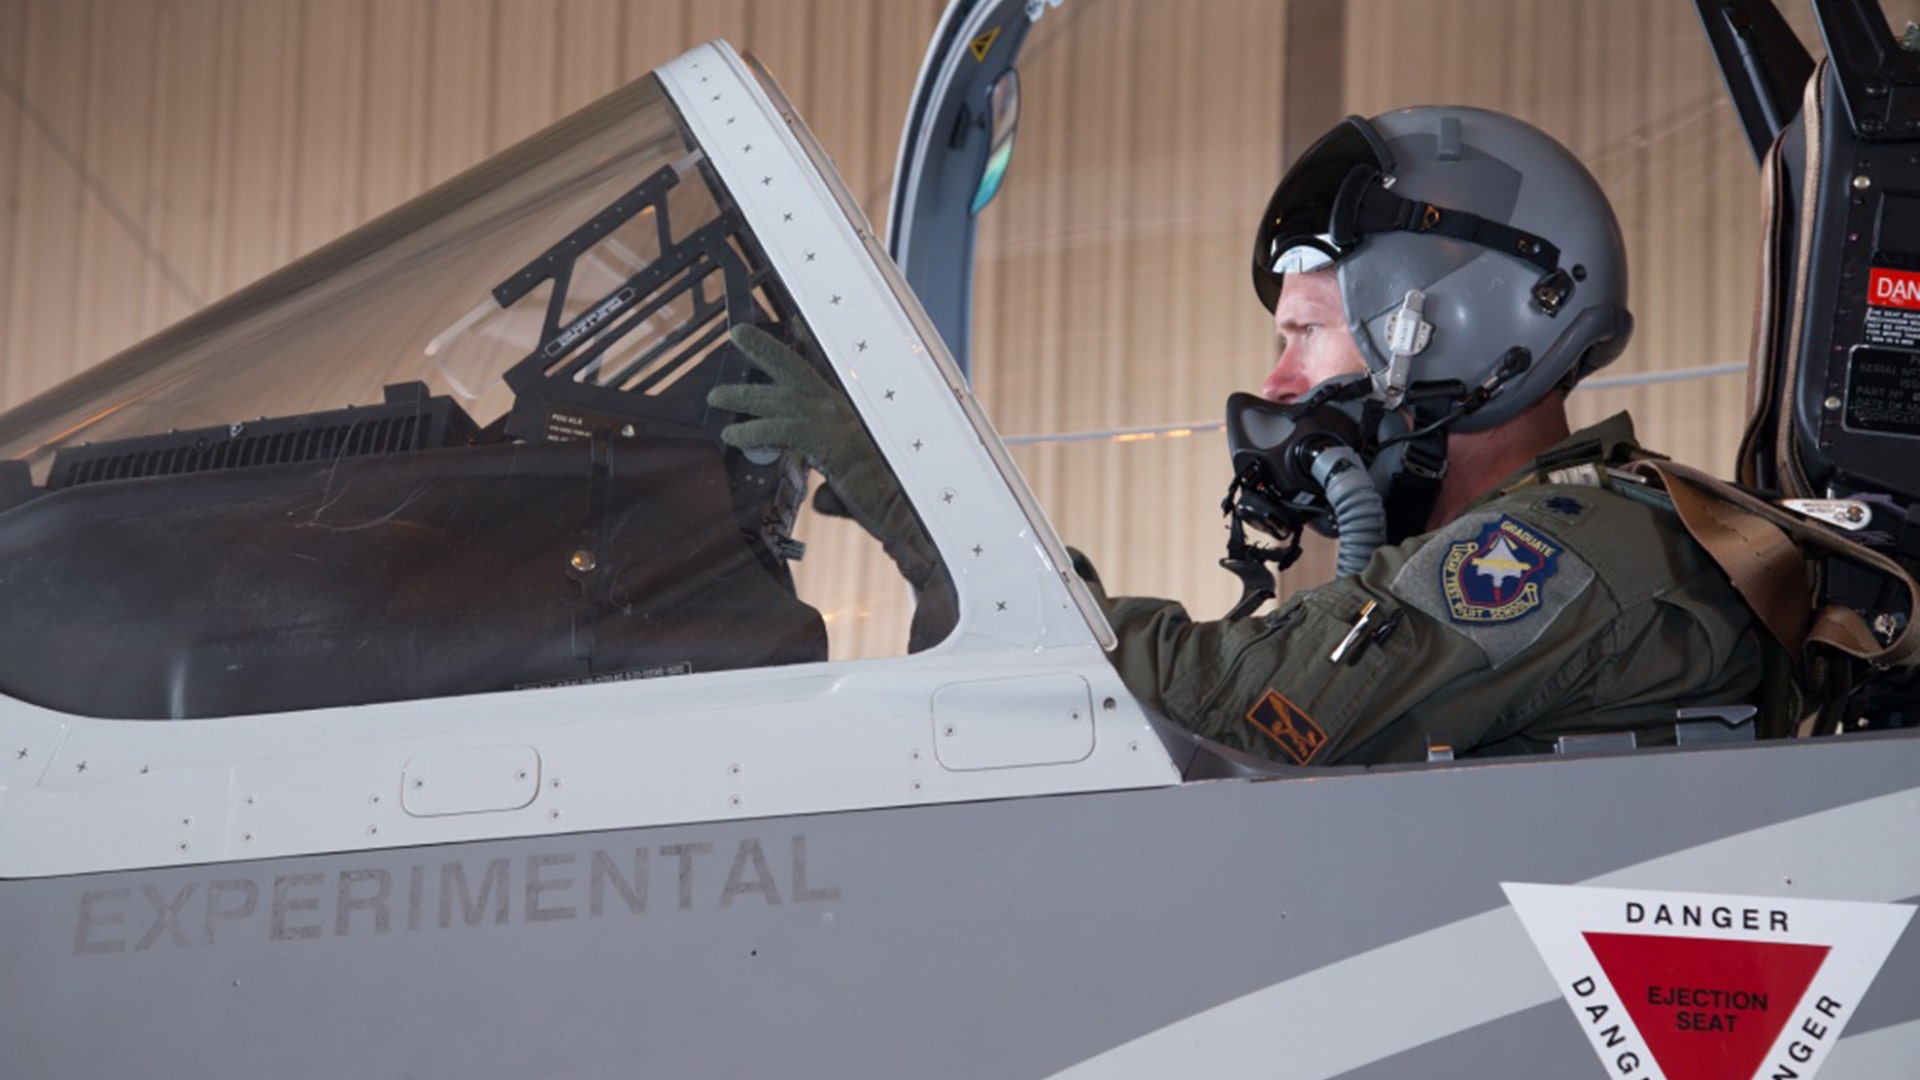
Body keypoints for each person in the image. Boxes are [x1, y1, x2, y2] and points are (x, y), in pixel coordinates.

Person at [714, 105, 1766, 766]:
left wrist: (921, 503)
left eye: (1306, 334)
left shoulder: (1569, 553)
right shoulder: (1492, 548)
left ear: (1451, 331)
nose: (1275, 384)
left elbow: (1243, 711)